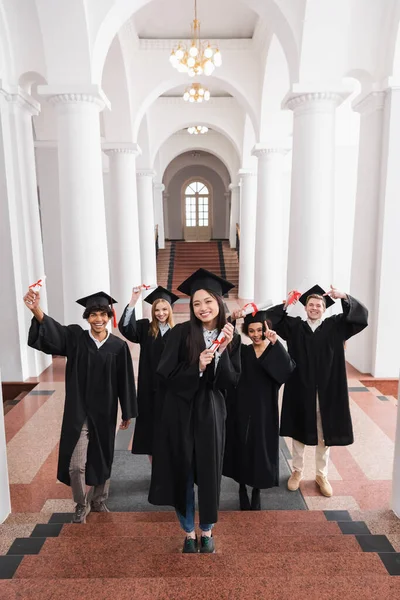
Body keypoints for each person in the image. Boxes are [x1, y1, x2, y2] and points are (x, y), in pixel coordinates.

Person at [24, 288, 137, 523]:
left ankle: (98, 500)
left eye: (103, 314)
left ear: (109, 317)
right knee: (76, 466)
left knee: (103, 458)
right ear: (87, 317)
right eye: (93, 314)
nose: (98, 319)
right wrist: (36, 310)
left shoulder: (118, 347)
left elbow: (125, 379)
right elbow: (54, 333)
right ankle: (80, 503)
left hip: (105, 412)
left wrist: (127, 410)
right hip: (79, 412)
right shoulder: (76, 339)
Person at [148, 269, 241, 554]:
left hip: (211, 411)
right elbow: (164, 374)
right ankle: (188, 531)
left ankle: (207, 529)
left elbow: (232, 381)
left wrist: (223, 352)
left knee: (210, 472)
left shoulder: (230, 336)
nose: (202, 308)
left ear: (219, 303)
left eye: (208, 302)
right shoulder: (180, 333)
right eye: (197, 303)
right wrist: (197, 367)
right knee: (183, 471)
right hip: (180, 411)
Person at [266, 284, 368, 498]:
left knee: (324, 433)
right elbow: (270, 321)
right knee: (299, 431)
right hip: (300, 387)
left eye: (318, 305)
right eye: (310, 305)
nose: (314, 308)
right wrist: (286, 304)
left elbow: (360, 318)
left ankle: (322, 475)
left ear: (324, 308)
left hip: (328, 389)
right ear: (305, 308)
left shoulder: (336, 326)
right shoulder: (295, 327)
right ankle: (297, 471)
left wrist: (344, 296)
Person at [223, 310, 296, 510]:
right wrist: (232, 319)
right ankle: (241, 487)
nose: (255, 334)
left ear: (266, 330)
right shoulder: (243, 351)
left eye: (259, 330)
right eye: (252, 331)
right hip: (240, 406)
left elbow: (288, 369)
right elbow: (227, 344)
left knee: (260, 449)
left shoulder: (272, 350)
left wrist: (275, 343)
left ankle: (256, 489)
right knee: (241, 447)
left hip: (265, 409)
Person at [118, 286, 178, 459]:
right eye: (157, 310)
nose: (160, 313)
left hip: (170, 389)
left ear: (170, 310)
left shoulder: (178, 331)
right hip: (149, 388)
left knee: (168, 429)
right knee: (151, 431)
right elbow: (126, 329)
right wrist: (133, 301)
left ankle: (168, 469)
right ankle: (155, 471)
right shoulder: (145, 328)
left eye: (164, 309)